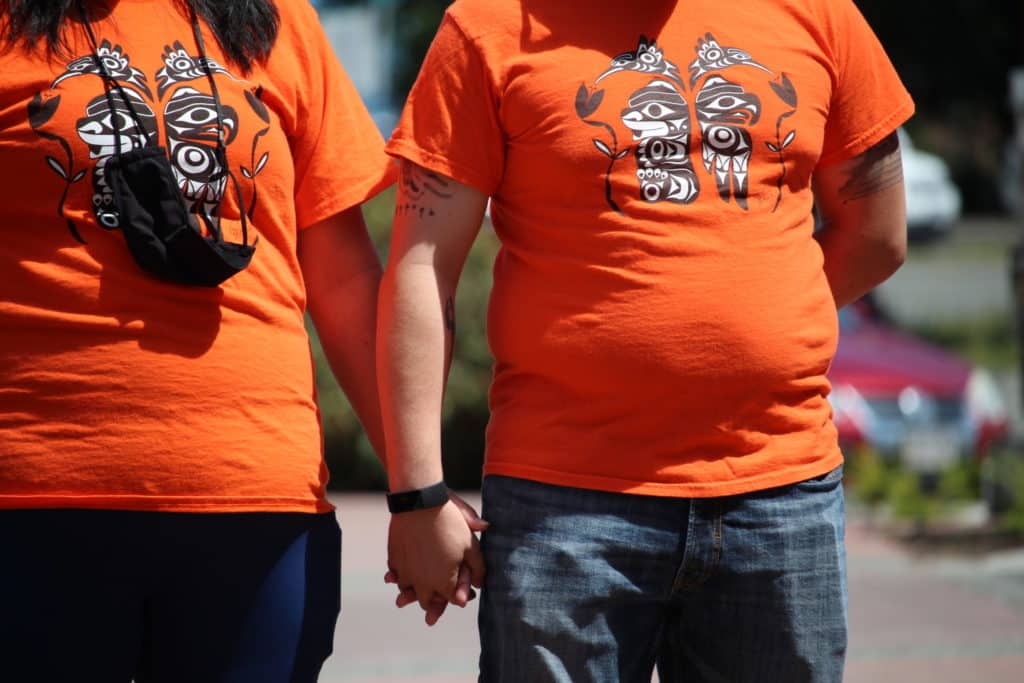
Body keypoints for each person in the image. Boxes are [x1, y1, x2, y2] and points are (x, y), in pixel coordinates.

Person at [377, 0, 913, 681]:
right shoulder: (488, 26)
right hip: (565, 501)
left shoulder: (818, 14)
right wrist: (417, 495)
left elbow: (878, 233)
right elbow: (422, 266)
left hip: (780, 490)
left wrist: (760, 317)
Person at [0, 0, 394, 680]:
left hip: (257, 503)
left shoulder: (276, 18)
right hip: (32, 503)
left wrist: (419, 486)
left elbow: (346, 280)